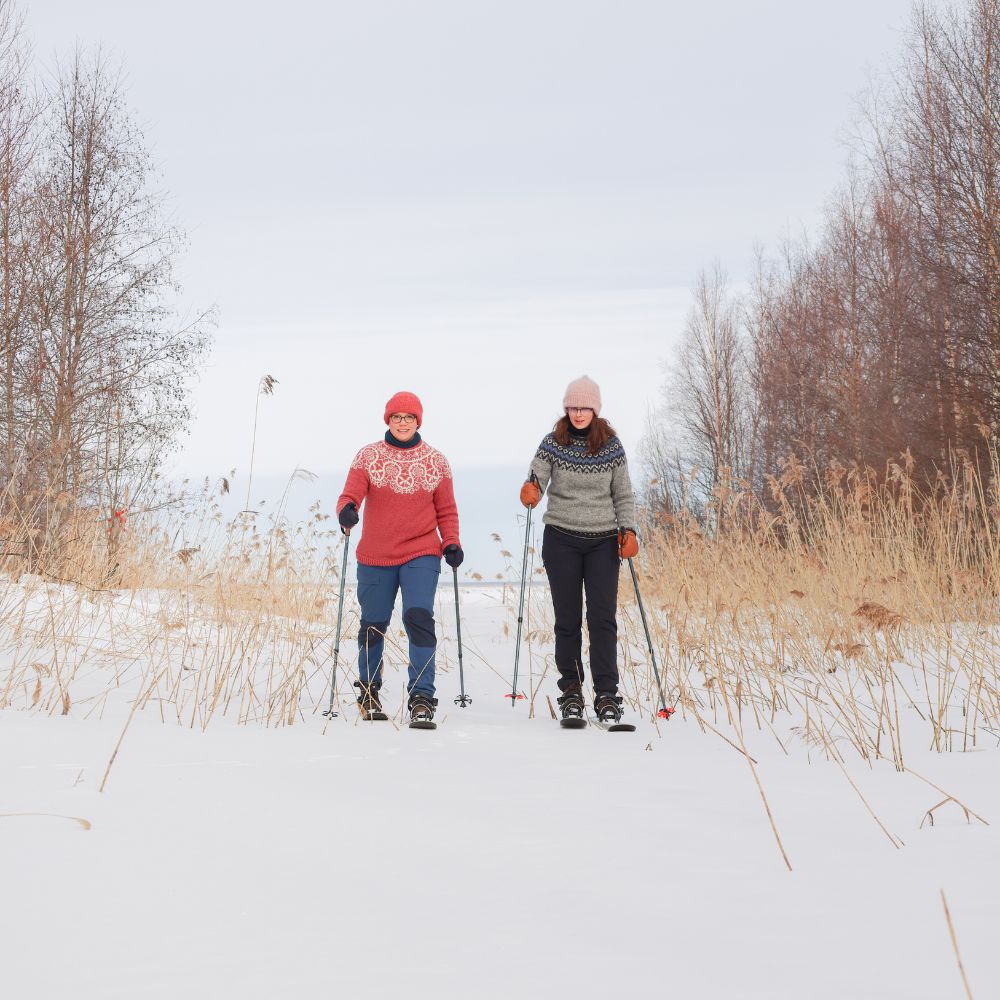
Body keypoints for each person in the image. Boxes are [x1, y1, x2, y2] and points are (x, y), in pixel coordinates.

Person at [336, 391, 463, 724]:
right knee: (373, 624)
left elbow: (447, 510)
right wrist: (347, 512)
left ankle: (422, 697)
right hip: (376, 554)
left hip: (421, 550)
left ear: (418, 421)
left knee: (418, 617)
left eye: (409, 417)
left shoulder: (436, 461)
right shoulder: (368, 457)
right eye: (396, 417)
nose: (402, 423)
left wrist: (450, 541)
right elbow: (350, 495)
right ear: (388, 420)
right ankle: (368, 691)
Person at [519, 376, 638, 724]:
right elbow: (537, 476)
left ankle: (606, 695)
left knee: (602, 618)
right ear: (566, 409)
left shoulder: (611, 446)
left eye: (585, 407)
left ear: (595, 409)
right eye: (573, 407)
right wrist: (532, 489)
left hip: (603, 541)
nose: (579, 413)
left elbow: (623, 494)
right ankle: (571, 691)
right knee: (567, 620)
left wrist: (628, 529)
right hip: (561, 538)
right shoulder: (553, 442)